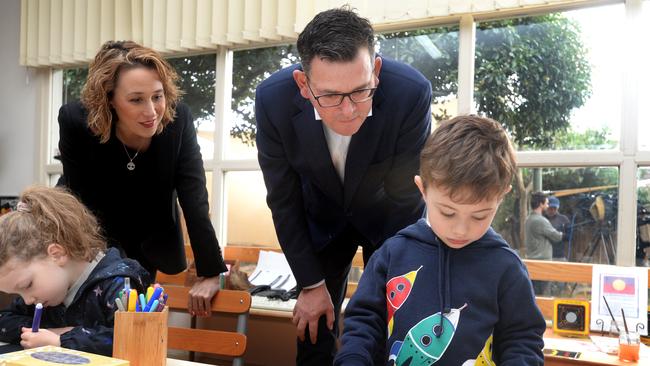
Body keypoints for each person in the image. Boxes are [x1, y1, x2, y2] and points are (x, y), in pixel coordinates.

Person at [255, 7, 431, 365]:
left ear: (376, 72)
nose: (349, 110)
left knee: (385, 333)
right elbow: (284, 200)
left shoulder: (409, 94)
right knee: (314, 332)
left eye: (360, 91)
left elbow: (406, 201)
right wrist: (311, 285)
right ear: (304, 85)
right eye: (331, 96)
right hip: (318, 224)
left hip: (385, 222)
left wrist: (382, 285)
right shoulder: (272, 101)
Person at [334, 116, 545, 366]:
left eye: (480, 215)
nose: (461, 229)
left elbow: (522, 340)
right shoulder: (392, 254)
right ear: (422, 189)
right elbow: (364, 322)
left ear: (501, 197)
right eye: (447, 212)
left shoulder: (506, 267)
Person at [56, 40, 227, 316]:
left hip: (151, 236)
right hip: (94, 234)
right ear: (108, 98)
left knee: (136, 325)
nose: (151, 112)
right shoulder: (76, 121)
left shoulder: (178, 120)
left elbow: (194, 198)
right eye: (136, 99)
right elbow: (79, 204)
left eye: (157, 96)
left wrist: (209, 271)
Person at [0, 185, 150, 356]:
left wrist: (61, 339)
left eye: (27, 285)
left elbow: (133, 338)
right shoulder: (41, 294)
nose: (26, 301)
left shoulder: (117, 283)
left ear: (57, 254)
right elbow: (3, 320)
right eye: (17, 294)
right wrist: (50, 332)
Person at [525, 192, 563, 295]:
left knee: (534, 295)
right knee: (543, 295)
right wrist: (561, 232)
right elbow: (557, 237)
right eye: (546, 203)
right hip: (542, 263)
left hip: (531, 261)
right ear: (541, 204)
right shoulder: (540, 220)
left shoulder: (528, 219)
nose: (548, 205)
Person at [544, 196, 570, 260]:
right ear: (546, 207)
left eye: (554, 208)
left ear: (558, 208)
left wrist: (558, 235)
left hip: (560, 255)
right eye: (550, 208)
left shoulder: (564, 219)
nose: (552, 210)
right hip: (544, 255)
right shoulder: (542, 219)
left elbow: (569, 237)